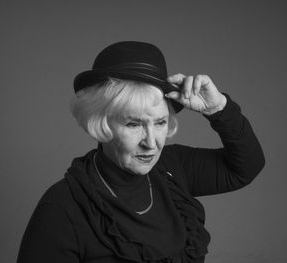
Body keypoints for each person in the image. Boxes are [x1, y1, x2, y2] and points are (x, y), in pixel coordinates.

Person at [17, 41, 265, 263]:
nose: (151, 142)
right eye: (133, 124)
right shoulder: (62, 207)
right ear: (100, 123)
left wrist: (219, 108)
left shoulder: (173, 166)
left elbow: (245, 167)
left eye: (159, 122)